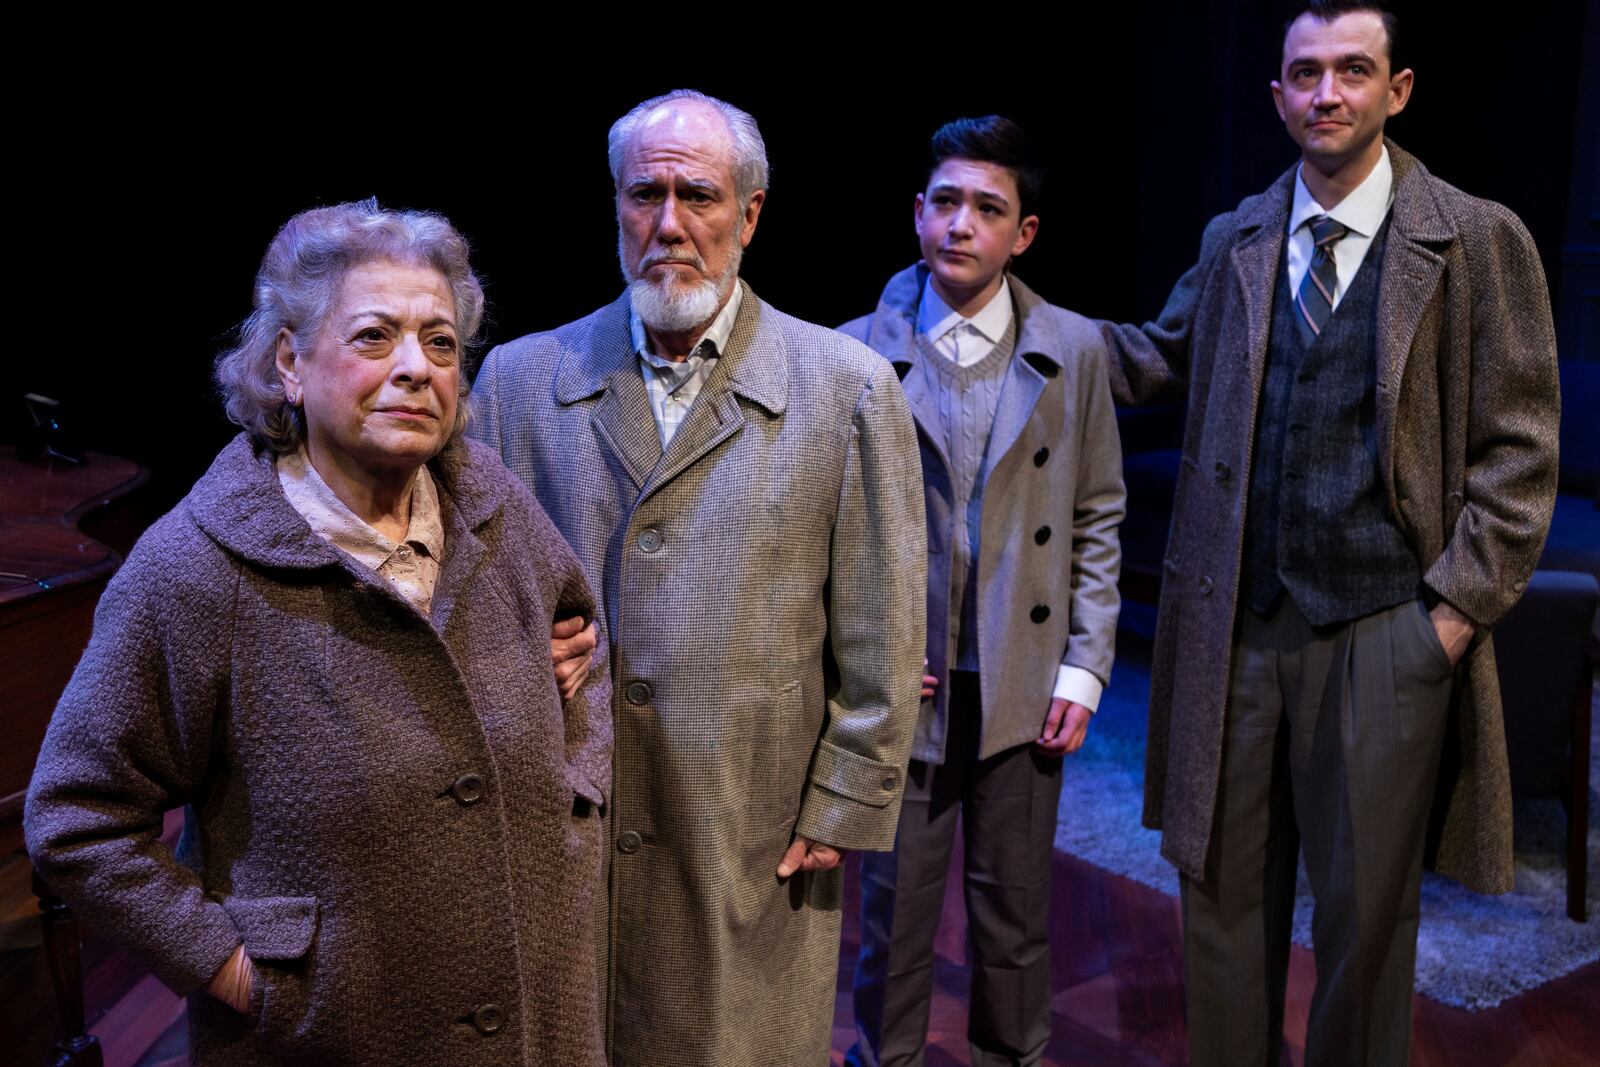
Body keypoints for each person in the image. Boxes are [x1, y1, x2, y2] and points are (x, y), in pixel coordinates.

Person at [25, 200, 611, 1066]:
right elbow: (77, 817)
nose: (417, 368)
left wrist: (575, 794)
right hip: (327, 1036)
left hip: (536, 1023)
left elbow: (584, 644)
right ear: (291, 362)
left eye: (441, 342)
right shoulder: (197, 566)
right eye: (376, 336)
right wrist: (235, 969)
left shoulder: (494, 505)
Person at [1097, 4, 1561, 1065]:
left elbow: (1520, 448)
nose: (1326, 93)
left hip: (1383, 628)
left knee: (1363, 914)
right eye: (1304, 74)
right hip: (1237, 627)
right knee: (1216, 893)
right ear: (1277, 97)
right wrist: (1006, 314)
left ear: (1396, 90)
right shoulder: (1238, 239)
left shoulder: (1475, 238)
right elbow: (1154, 356)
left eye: (1353, 70)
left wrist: (1447, 616)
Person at [469, 90, 926, 1067]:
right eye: (645, 194)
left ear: (750, 213)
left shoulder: (845, 386)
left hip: (746, 827)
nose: (669, 223)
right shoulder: (515, 380)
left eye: (698, 195)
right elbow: (460, 587)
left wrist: (845, 795)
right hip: (567, 817)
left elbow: (883, 625)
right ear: (616, 206)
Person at [839, 115, 1124, 1066]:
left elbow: (1095, 514)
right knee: (894, 912)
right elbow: (828, 536)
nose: (962, 224)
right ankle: (884, 1057)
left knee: (1015, 914)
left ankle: (1013, 1055)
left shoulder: (1073, 349)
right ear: (918, 213)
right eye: (946, 202)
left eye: (987, 208)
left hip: (1021, 678)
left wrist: (1084, 667)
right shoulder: (849, 354)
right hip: (906, 685)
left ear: (1023, 233)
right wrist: (864, 655)